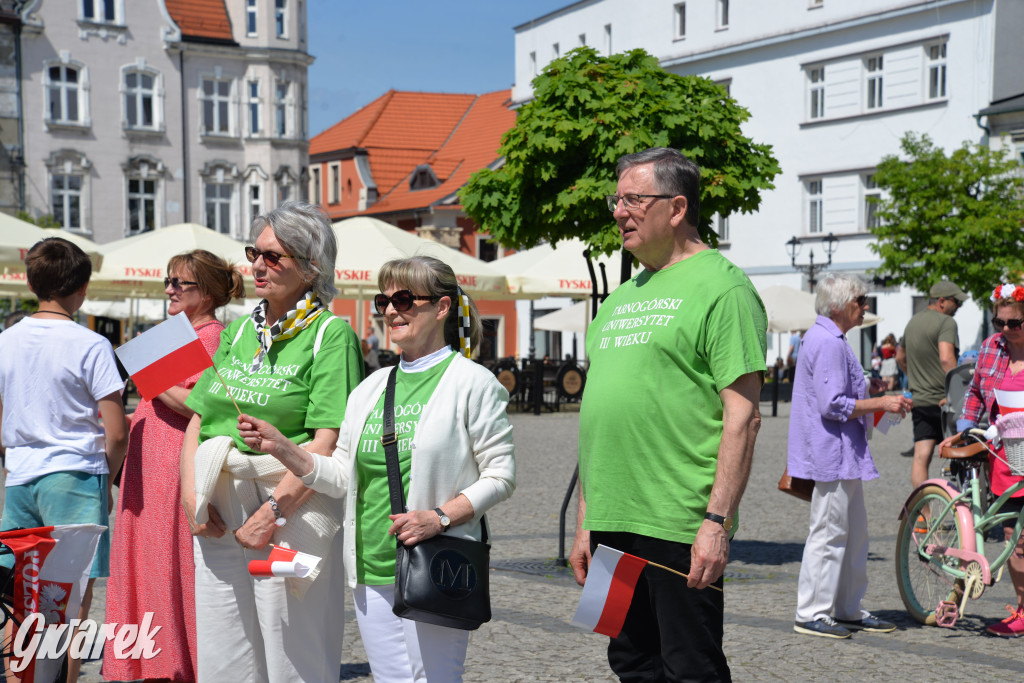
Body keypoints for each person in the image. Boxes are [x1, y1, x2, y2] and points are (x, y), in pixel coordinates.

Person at [238, 255, 516, 682]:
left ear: (441, 307)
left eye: (404, 299)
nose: (390, 310)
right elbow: (343, 475)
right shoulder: (370, 388)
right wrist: (282, 448)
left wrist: (439, 517)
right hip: (368, 564)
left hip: (435, 560)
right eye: (383, 300)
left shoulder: (472, 383)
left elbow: (500, 475)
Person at [569, 147, 766, 681]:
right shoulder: (617, 299)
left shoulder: (723, 287)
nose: (618, 211)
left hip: (677, 523)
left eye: (633, 199)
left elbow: (743, 417)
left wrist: (716, 523)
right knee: (629, 662)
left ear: (677, 208)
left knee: (690, 667)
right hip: (610, 522)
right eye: (617, 199)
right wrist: (587, 519)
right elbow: (600, 416)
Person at [181, 202, 364, 682]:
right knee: (223, 646)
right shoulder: (240, 330)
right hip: (218, 503)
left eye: (274, 256)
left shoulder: (331, 335)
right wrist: (190, 499)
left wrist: (273, 513)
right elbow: (198, 419)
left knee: (291, 646)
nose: (258, 266)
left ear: (311, 267)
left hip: (289, 507)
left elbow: (328, 441)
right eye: (254, 253)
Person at [104, 250, 244, 683]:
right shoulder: (178, 333)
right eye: (168, 280)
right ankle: (151, 663)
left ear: (206, 292)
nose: (169, 289)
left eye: (179, 283)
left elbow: (204, 407)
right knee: (145, 561)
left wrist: (152, 375)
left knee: (167, 562)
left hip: (172, 466)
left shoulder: (213, 338)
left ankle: (177, 664)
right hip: (149, 463)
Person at [0, 237, 129, 682]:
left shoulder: (6, 340)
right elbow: (116, 431)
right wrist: (106, 482)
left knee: (20, 601)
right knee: (69, 606)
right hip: (75, 475)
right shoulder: (91, 344)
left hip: (20, 477)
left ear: (32, 282)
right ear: (83, 288)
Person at [787, 273, 912, 639]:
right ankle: (812, 611)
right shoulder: (827, 341)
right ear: (840, 305)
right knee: (829, 533)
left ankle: (847, 608)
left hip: (844, 453)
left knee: (854, 534)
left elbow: (839, 392)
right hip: (831, 453)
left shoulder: (832, 338)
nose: (865, 306)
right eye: (861, 300)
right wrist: (882, 401)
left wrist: (868, 388)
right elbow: (832, 404)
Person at [940, 282, 1024, 637]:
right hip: (1004, 453)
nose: (1005, 330)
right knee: (1015, 532)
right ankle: (1022, 609)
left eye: (1014, 323)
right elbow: (974, 392)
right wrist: (964, 427)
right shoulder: (992, 348)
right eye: (999, 322)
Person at [897, 281, 966, 487]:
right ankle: (965, 508)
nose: (959, 307)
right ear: (942, 301)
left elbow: (900, 357)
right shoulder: (946, 323)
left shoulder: (912, 323)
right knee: (963, 453)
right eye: (957, 302)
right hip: (944, 401)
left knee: (921, 457)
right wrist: (957, 391)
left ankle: (923, 515)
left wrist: (915, 378)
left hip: (920, 400)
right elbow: (946, 358)